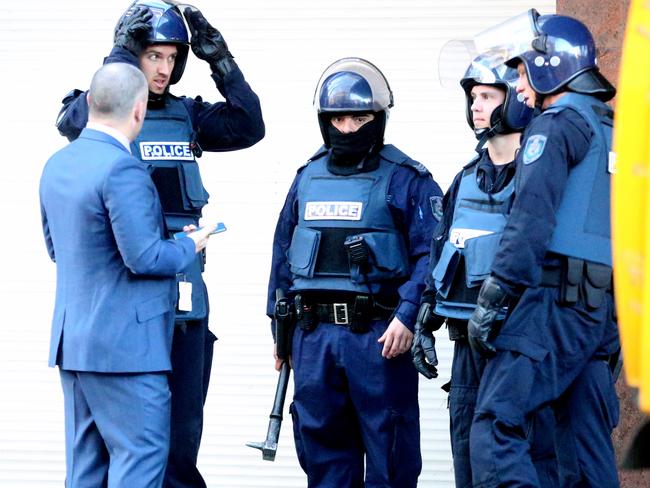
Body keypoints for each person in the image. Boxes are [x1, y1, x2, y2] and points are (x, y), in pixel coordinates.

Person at [55, 2, 265, 486]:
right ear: (134, 55)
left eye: (172, 58)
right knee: (119, 450)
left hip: (184, 301)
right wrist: (117, 58)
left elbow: (248, 127)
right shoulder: (103, 115)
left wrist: (222, 61)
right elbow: (70, 121)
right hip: (126, 306)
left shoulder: (185, 115)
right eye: (153, 56)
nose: (164, 69)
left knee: (180, 440)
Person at [267, 57, 443, 488]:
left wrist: (407, 316)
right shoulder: (306, 178)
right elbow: (282, 258)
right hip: (313, 341)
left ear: (378, 118)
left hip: (379, 338)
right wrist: (281, 334)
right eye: (338, 118)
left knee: (391, 459)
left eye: (359, 117)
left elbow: (432, 255)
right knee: (324, 461)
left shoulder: (407, 179)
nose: (347, 128)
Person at [40, 62, 217, 488]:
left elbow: (56, 249)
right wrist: (191, 243)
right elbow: (145, 258)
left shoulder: (57, 164)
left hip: (75, 344)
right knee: (140, 459)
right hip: (126, 351)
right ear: (139, 110)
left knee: (86, 469)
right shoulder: (124, 170)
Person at [465, 11, 620, 487]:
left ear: (550, 65)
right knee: (586, 446)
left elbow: (530, 219)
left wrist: (495, 298)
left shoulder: (555, 125)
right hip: (600, 314)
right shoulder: (612, 131)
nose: (518, 82)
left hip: (553, 303)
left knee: (495, 426)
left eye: (521, 69)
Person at [411, 55, 558, 487]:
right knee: (469, 461)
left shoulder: (538, 177)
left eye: (488, 96)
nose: (476, 106)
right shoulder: (465, 180)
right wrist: (426, 318)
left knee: (525, 463)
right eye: (473, 97)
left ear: (515, 102)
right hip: (467, 350)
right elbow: (443, 249)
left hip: (518, 349)